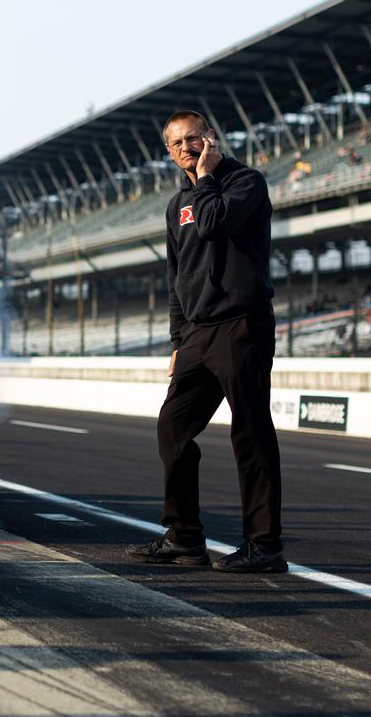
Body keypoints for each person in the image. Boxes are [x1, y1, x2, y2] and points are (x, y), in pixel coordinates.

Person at [126, 110, 286, 573]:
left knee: (250, 434)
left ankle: (266, 547)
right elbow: (176, 278)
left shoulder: (245, 183)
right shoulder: (177, 206)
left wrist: (208, 175)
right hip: (196, 333)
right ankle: (185, 539)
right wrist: (178, 340)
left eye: (192, 139)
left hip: (242, 324)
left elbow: (216, 223)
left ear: (211, 139)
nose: (185, 150)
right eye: (175, 145)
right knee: (172, 428)